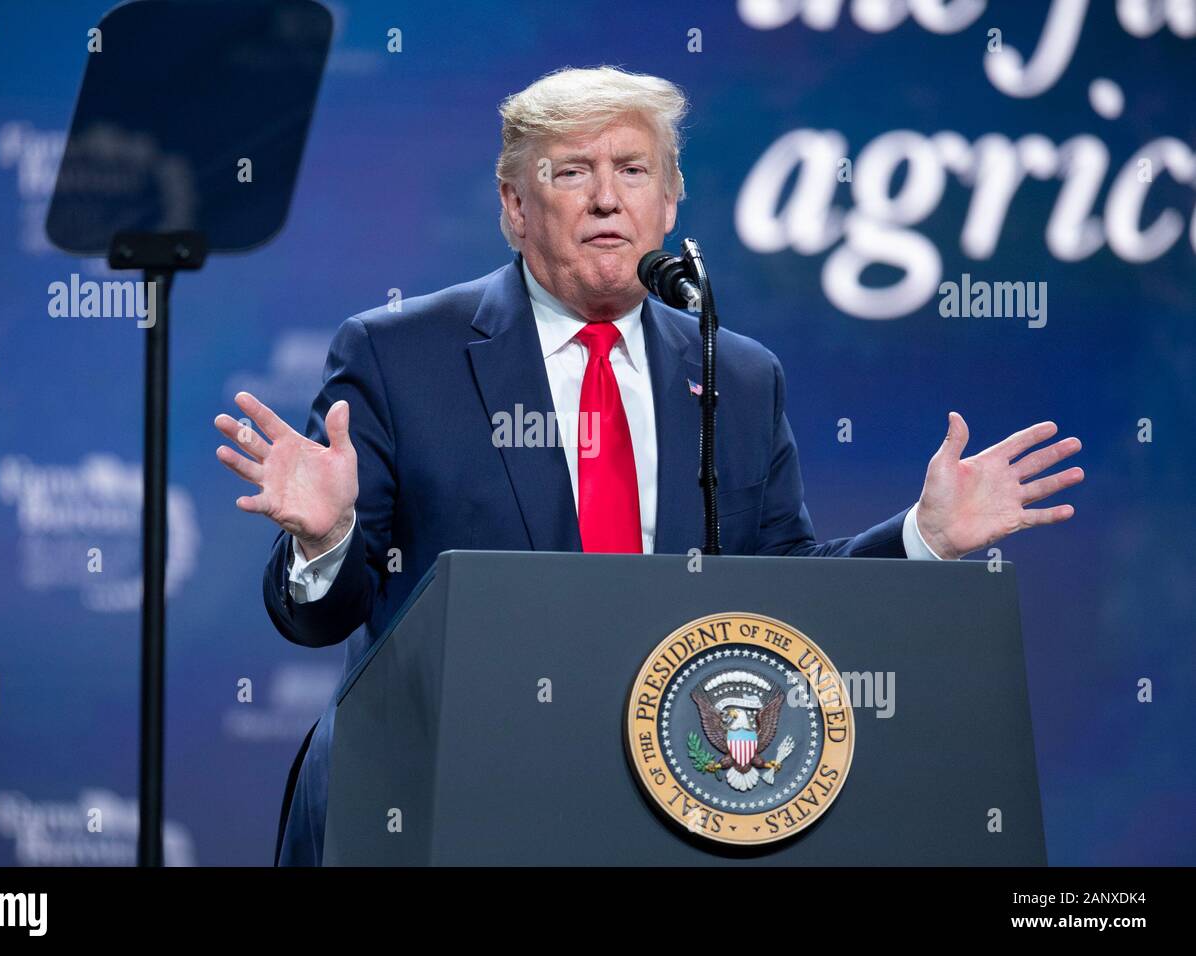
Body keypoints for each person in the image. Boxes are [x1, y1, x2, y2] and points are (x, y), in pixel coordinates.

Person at [213, 66, 1084, 865]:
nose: (604, 200)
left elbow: (781, 589)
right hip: (449, 795)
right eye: (569, 172)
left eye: (632, 171)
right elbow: (326, 619)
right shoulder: (400, 355)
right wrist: (326, 541)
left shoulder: (736, 373)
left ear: (669, 204)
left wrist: (922, 540)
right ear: (515, 206)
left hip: (670, 796)